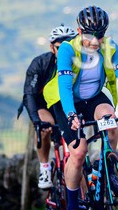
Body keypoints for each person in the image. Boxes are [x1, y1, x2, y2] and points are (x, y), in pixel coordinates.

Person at [43, 5, 118, 210]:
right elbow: (65, 86)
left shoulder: (110, 47)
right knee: (78, 152)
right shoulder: (69, 50)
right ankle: (73, 207)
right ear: (79, 31)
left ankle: (106, 168)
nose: (96, 41)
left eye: (100, 34)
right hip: (65, 100)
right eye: (90, 35)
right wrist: (70, 115)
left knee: (111, 122)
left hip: (93, 97)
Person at [17, 24, 76, 189]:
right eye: (59, 47)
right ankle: (44, 167)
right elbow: (29, 94)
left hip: (65, 105)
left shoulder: (78, 63)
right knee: (46, 128)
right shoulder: (40, 64)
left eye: (69, 46)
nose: (65, 51)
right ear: (52, 47)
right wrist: (36, 121)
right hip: (43, 105)